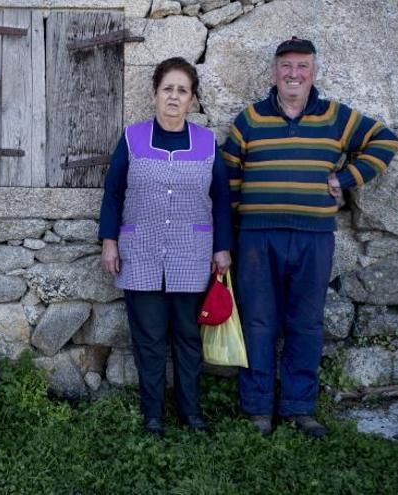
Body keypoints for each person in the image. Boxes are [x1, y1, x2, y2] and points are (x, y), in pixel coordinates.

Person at [222, 37, 398, 438]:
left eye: (302, 67)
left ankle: (300, 408)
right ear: (274, 72)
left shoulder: (336, 117)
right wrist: (234, 234)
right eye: (286, 66)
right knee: (259, 322)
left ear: (314, 73)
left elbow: (385, 140)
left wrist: (348, 177)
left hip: (313, 237)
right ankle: (258, 410)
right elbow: (229, 177)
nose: (293, 74)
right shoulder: (248, 120)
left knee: (305, 323)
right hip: (257, 239)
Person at [99, 57, 232, 438]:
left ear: (192, 99)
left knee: (188, 340)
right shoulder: (132, 138)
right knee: (149, 341)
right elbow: (113, 193)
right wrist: (109, 241)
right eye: (167, 89)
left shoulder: (206, 142)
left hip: (191, 256)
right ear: (155, 94)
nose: (174, 97)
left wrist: (222, 247)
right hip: (139, 253)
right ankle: (153, 416)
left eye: (182, 90)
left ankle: (192, 414)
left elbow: (221, 198)